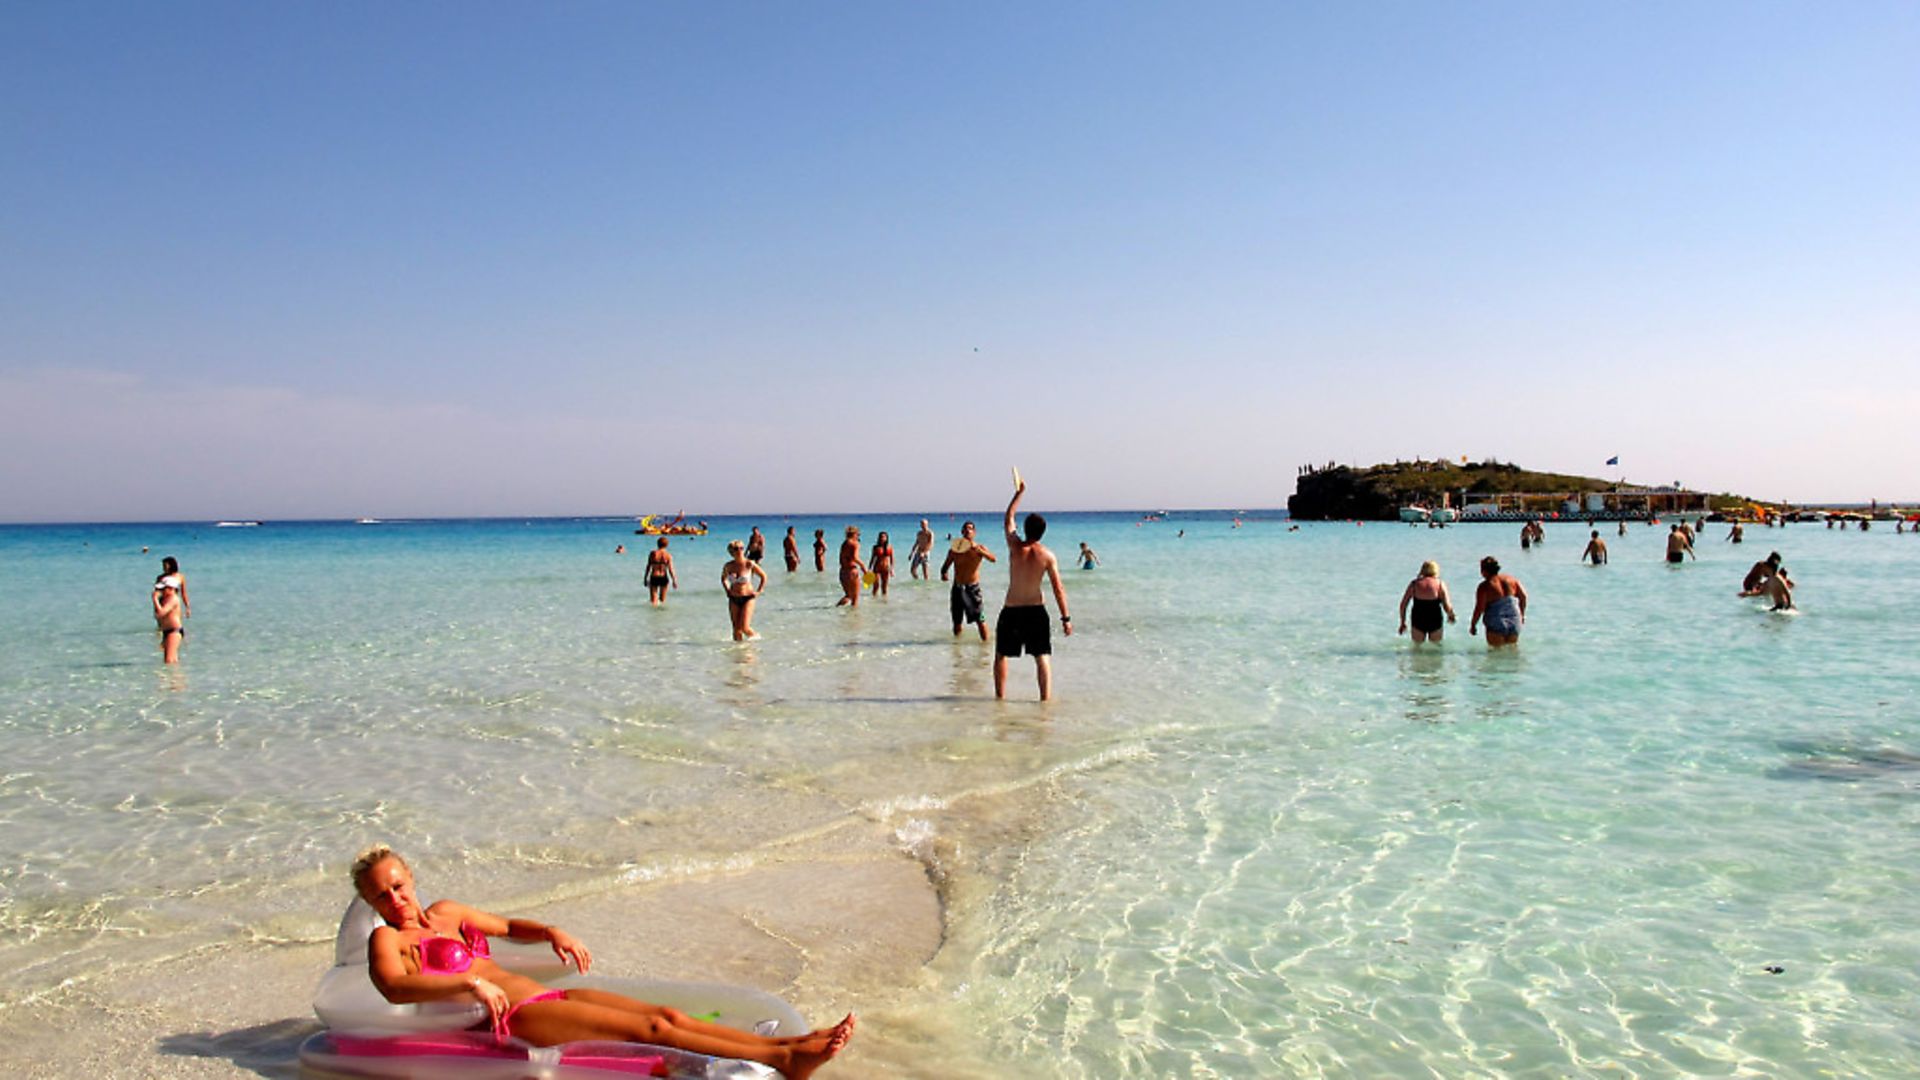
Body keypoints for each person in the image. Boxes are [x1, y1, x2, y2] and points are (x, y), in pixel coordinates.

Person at [350, 846, 852, 1078]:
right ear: (371, 903)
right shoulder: (388, 942)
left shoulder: (448, 912)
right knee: (652, 1028)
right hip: (512, 1018)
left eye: (398, 885)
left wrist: (549, 931)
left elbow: (507, 927)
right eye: (381, 895)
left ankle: (789, 1042)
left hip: (543, 995)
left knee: (669, 1016)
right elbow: (394, 988)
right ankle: (786, 1061)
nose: (394, 899)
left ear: (411, 877)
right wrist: (469, 986)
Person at [993, 480, 1071, 700]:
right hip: (1036, 611)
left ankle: (1000, 699)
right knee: (1042, 656)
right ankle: (1044, 701)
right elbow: (1058, 588)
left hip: (1012, 609)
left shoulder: (1015, 547)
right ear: (1043, 532)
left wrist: (1018, 494)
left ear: (1025, 529)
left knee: (1001, 655)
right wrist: (1066, 618)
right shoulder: (1047, 555)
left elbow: (1008, 519)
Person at [939, 521, 997, 640]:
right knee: (957, 622)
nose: (967, 531)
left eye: (970, 529)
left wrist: (980, 551)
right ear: (962, 532)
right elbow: (946, 565)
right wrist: (944, 573)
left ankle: (985, 651)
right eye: (965, 529)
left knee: (980, 620)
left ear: (974, 532)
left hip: (972, 588)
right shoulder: (955, 549)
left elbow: (993, 559)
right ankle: (957, 651)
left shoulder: (979, 548)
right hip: (957, 588)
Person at [1469, 556, 1527, 647]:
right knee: (1512, 652)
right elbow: (1523, 597)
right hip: (1514, 620)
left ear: (1484, 571)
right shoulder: (1511, 580)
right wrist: (1522, 615)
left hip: (1496, 622)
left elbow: (1479, 608)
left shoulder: (1484, 586)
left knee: (1495, 655)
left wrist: (1473, 624)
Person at [1397, 560, 1456, 644]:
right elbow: (1447, 605)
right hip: (1435, 619)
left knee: (1417, 649)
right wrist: (1451, 615)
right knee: (1436, 650)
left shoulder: (1414, 584)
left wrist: (1402, 622)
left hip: (1418, 619)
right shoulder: (1440, 584)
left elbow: (1403, 605)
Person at [721, 540, 767, 641]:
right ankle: (739, 653)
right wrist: (727, 590)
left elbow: (763, 577)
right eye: (736, 549)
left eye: (742, 548)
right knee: (736, 630)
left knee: (744, 627)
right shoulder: (728, 566)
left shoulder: (749, 564)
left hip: (748, 597)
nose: (740, 551)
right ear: (731, 551)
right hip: (734, 598)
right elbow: (723, 579)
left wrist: (759, 591)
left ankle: (757, 640)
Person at [153, 577, 185, 664]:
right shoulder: (164, 600)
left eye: (163, 589)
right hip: (166, 631)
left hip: (174, 631)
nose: (161, 591)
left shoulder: (173, 599)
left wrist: (155, 599)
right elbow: (157, 616)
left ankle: (173, 676)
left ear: (172, 588)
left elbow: (161, 613)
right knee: (171, 660)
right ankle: (174, 676)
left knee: (169, 660)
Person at [835, 527, 866, 608]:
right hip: (851, 571)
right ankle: (854, 618)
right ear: (855, 534)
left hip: (843, 571)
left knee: (848, 596)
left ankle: (835, 609)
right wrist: (863, 566)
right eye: (858, 535)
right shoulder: (854, 543)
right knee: (855, 599)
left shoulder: (844, 543)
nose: (858, 537)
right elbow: (854, 557)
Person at [645, 538, 677, 607]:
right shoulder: (668, 555)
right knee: (662, 601)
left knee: (653, 601)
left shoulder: (652, 553)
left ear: (657, 544)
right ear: (667, 545)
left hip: (654, 576)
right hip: (663, 577)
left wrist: (645, 578)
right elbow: (671, 569)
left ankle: (653, 616)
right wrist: (674, 580)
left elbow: (648, 566)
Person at [868, 532, 894, 598]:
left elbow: (892, 559)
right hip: (877, 568)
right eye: (881, 537)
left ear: (886, 538)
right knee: (876, 585)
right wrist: (869, 568)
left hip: (886, 568)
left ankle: (884, 601)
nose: (882, 538)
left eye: (884, 537)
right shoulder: (875, 547)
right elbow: (872, 558)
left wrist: (892, 569)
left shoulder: (889, 547)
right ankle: (874, 599)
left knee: (884, 587)